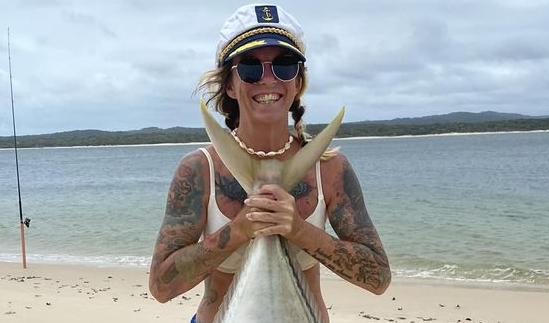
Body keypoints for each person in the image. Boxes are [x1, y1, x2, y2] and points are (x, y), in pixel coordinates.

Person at [149, 4, 391, 322]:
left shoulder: (330, 168)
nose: (268, 79)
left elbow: (378, 278)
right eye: (250, 67)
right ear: (231, 85)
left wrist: (298, 230)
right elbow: (161, 286)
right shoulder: (200, 169)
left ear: (298, 83)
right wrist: (240, 229)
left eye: (285, 66)